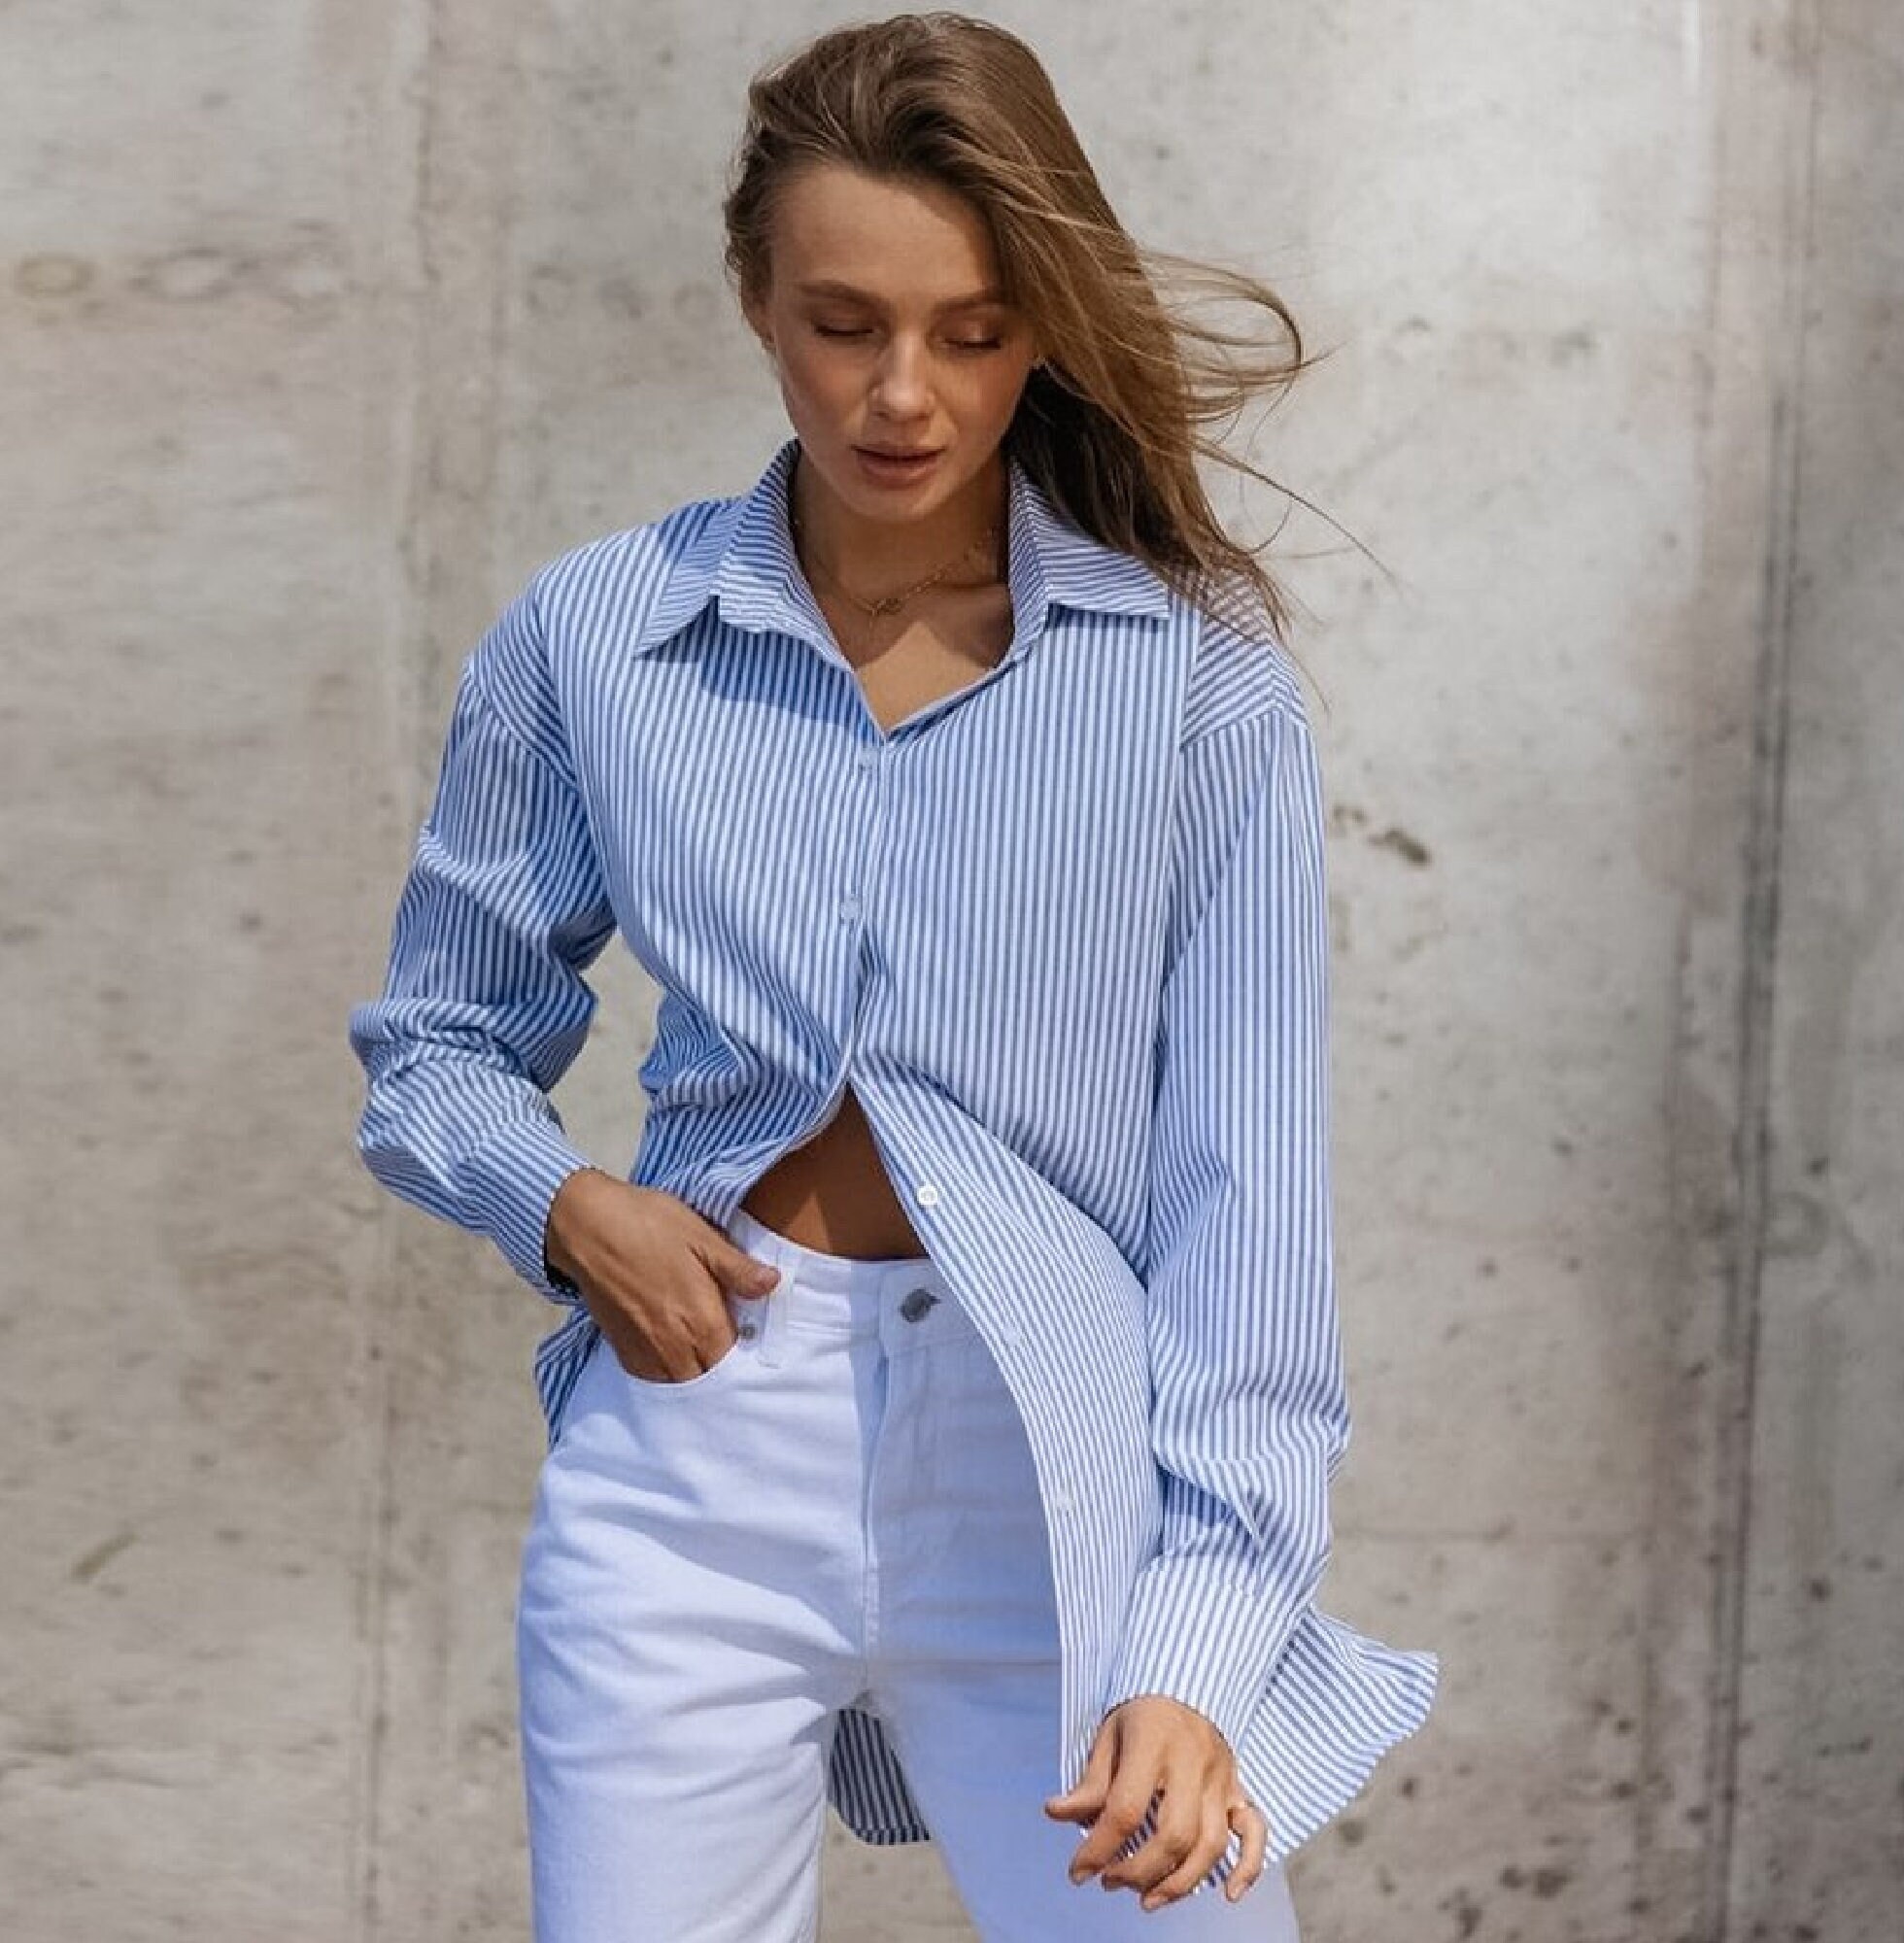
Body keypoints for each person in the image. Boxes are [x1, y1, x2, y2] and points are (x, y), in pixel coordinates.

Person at [347, 14, 1439, 1940]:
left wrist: (1193, 1636)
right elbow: (439, 1038)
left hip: (1058, 1476)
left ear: (1045, 325)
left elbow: (1243, 1209)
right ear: (754, 297)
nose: (906, 395)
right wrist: (568, 1206)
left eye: (974, 328)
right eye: (846, 322)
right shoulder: (599, 635)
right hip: (695, 1458)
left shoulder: (1189, 676)